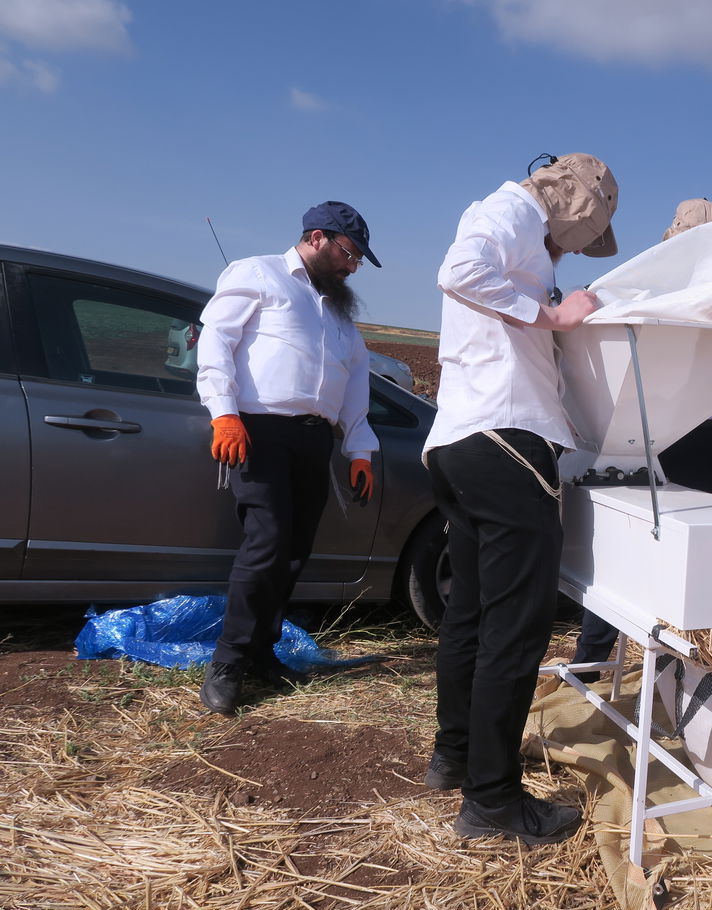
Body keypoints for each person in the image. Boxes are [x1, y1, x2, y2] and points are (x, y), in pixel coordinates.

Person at [423, 152, 618, 846]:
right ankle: (492, 801)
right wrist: (554, 315)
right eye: (580, 236)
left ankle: (456, 756)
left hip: (461, 440)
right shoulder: (512, 212)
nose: (571, 250)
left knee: (471, 615)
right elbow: (459, 271)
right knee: (515, 628)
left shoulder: (510, 222)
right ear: (573, 207)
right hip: (506, 439)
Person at [195, 201, 381, 716]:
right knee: (267, 542)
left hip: (314, 440)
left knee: (294, 551)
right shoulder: (258, 274)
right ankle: (228, 661)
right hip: (260, 432)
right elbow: (217, 340)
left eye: (357, 260)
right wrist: (224, 413)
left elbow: (355, 385)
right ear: (317, 238)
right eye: (349, 254)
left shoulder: (339, 315)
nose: (352, 267)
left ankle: (261, 653)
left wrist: (359, 450)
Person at [568, 198, 712, 677]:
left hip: (654, 429)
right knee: (690, 554)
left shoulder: (650, 281)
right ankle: (676, 676)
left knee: (630, 549)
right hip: (675, 433)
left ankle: (606, 667)